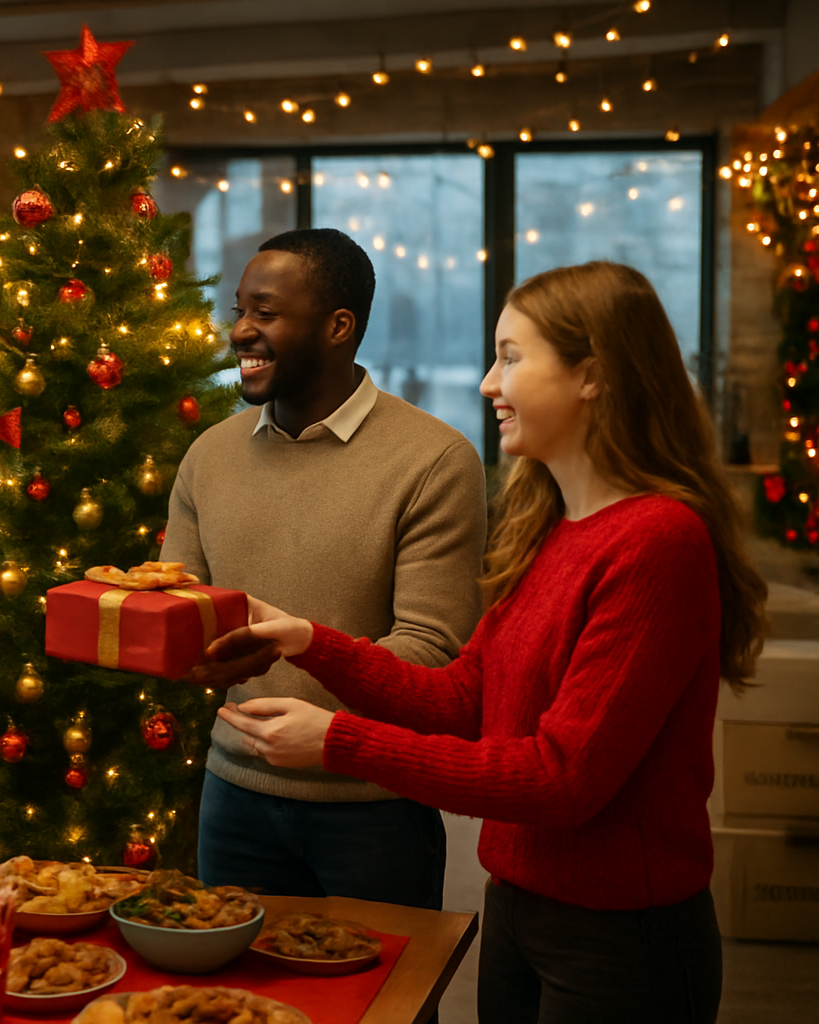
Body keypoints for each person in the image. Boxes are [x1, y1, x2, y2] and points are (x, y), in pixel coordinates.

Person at [195, 261, 765, 1023]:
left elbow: (562, 778)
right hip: (520, 912)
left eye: (512, 357)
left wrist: (340, 742)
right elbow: (463, 700)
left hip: (622, 940)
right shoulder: (550, 530)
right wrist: (306, 641)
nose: (489, 385)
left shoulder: (658, 542)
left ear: (592, 375)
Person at [160, 227, 487, 911]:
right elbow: (180, 611)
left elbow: (432, 654)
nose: (241, 333)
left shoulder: (433, 461)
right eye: (238, 312)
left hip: (371, 807)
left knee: (381, 1009)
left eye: (266, 314)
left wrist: (323, 729)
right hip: (232, 796)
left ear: (340, 327)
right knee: (237, 1010)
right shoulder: (209, 456)